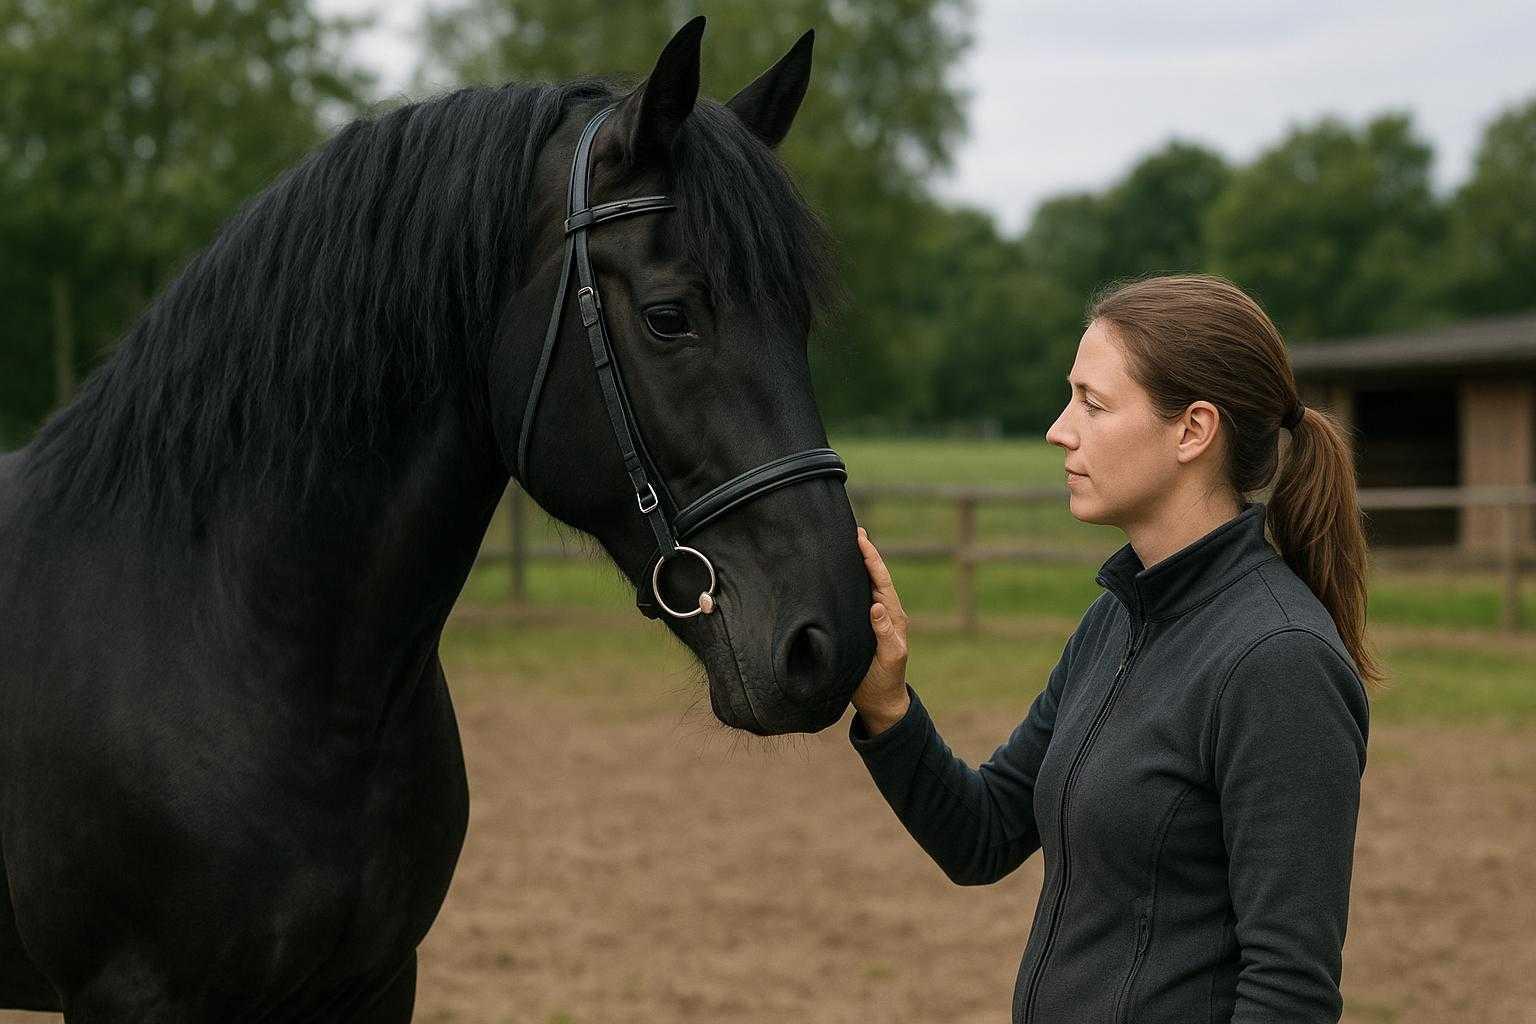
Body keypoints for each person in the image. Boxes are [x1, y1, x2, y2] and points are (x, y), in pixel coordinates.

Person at [849, 274, 1383, 1024]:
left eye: (1092, 404)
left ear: (1193, 431)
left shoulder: (1280, 660)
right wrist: (886, 704)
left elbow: (1289, 991)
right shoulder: (1115, 621)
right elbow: (985, 833)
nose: (1059, 429)